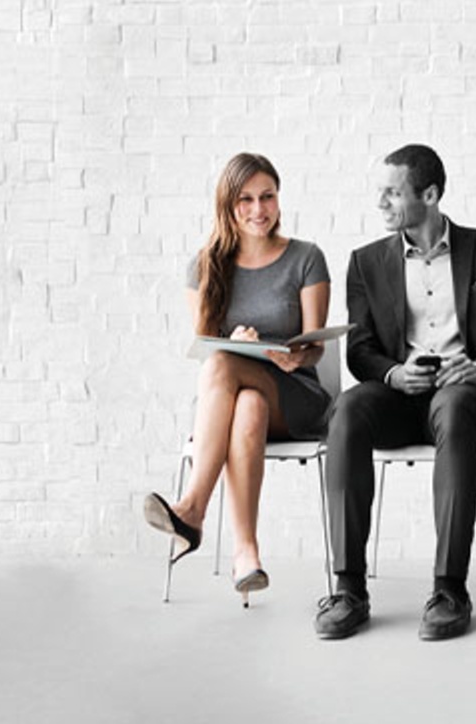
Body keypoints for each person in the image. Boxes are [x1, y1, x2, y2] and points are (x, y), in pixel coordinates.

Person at [313, 144, 476, 641]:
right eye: (380, 193)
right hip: (400, 395)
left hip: (468, 397)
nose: (381, 203)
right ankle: (348, 589)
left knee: (452, 407)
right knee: (346, 409)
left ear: (429, 194)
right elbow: (360, 348)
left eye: (393, 193)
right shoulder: (365, 262)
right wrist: (392, 373)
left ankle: (450, 589)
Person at [143, 152, 332, 607]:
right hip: (238, 403)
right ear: (227, 206)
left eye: (267, 196)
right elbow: (205, 349)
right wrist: (232, 339)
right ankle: (246, 553)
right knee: (246, 404)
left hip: (297, 397)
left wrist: (294, 356)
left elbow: (316, 346)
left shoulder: (306, 258)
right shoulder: (205, 267)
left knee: (226, 367)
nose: (258, 209)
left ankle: (192, 509)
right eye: (245, 199)